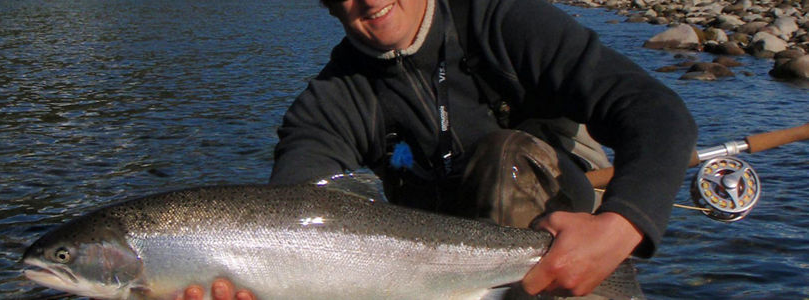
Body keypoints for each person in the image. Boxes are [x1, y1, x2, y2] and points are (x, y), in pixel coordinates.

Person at [182, 0, 696, 298]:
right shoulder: (331, 102)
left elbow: (656, 112)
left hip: (562, 241)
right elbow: (289, 218)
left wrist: (621, 225)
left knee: (505, 158)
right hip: (428, 276)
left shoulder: (502, 20)